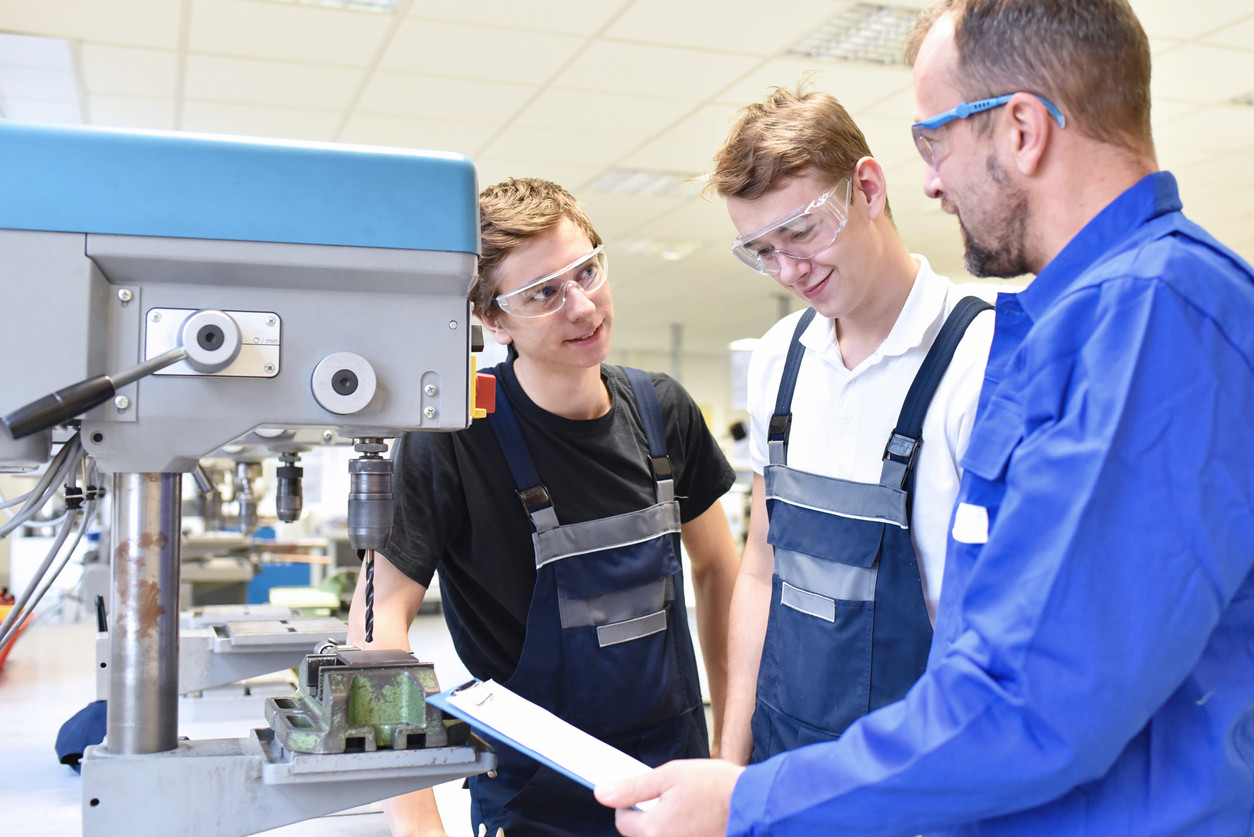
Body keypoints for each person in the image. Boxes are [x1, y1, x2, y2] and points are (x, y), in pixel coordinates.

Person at [594, 0, 1254, 834]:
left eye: (934, 141)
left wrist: (749, 801)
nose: (932, 182)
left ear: (1021, 129)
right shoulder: (1083, 322)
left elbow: (1030, 702)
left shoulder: (1153, 319)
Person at [348, 177, 740, 837]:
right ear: (492, 319)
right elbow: (370, 628)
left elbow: (721, 571)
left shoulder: (663, 411)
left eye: (587, 271)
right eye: (545, 293)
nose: (584, 308)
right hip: (534, 802)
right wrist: (418, 825)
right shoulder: (453, 440)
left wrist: (733, 749)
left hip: (675, 787)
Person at [704, 85, 992, 769]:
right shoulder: (780, 358)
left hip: (917, 778)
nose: (789, 269)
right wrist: (729, 765)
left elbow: (991, 625)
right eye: (762, 250)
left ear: (867, 187)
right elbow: (761, 566)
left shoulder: (979, 361)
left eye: (802, 230)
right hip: (783, 763)